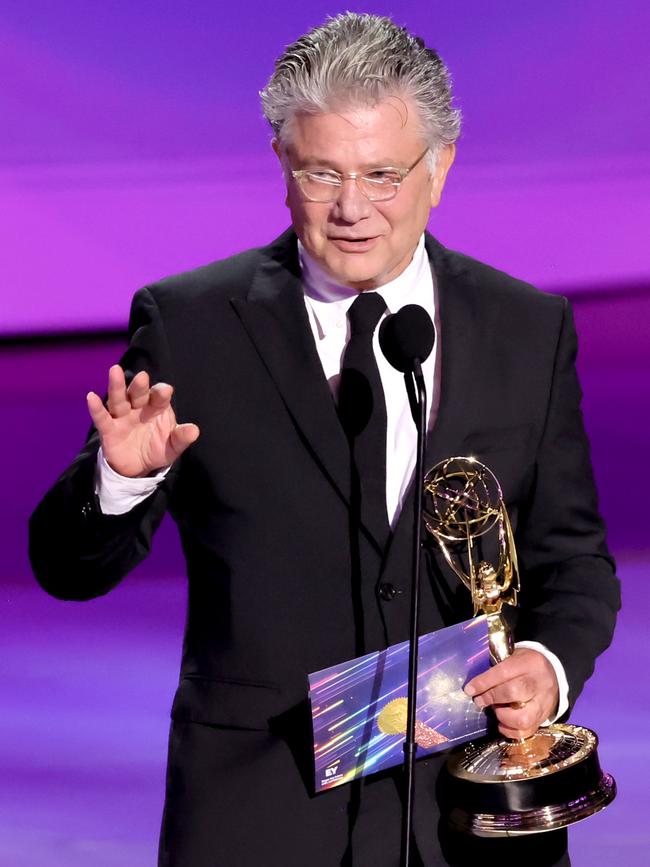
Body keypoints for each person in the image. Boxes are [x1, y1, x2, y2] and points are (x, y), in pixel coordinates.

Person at [29, 12, 620, 867]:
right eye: (321, 173)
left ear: (441, 167)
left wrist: (547, 664)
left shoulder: (527, 329)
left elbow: (575, 562)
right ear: (281, 166)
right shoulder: (193, 325)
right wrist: (120, 482)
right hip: (259, 818)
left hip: (469, 820)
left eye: (383, 173)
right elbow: (65, 566)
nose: (351, 209)